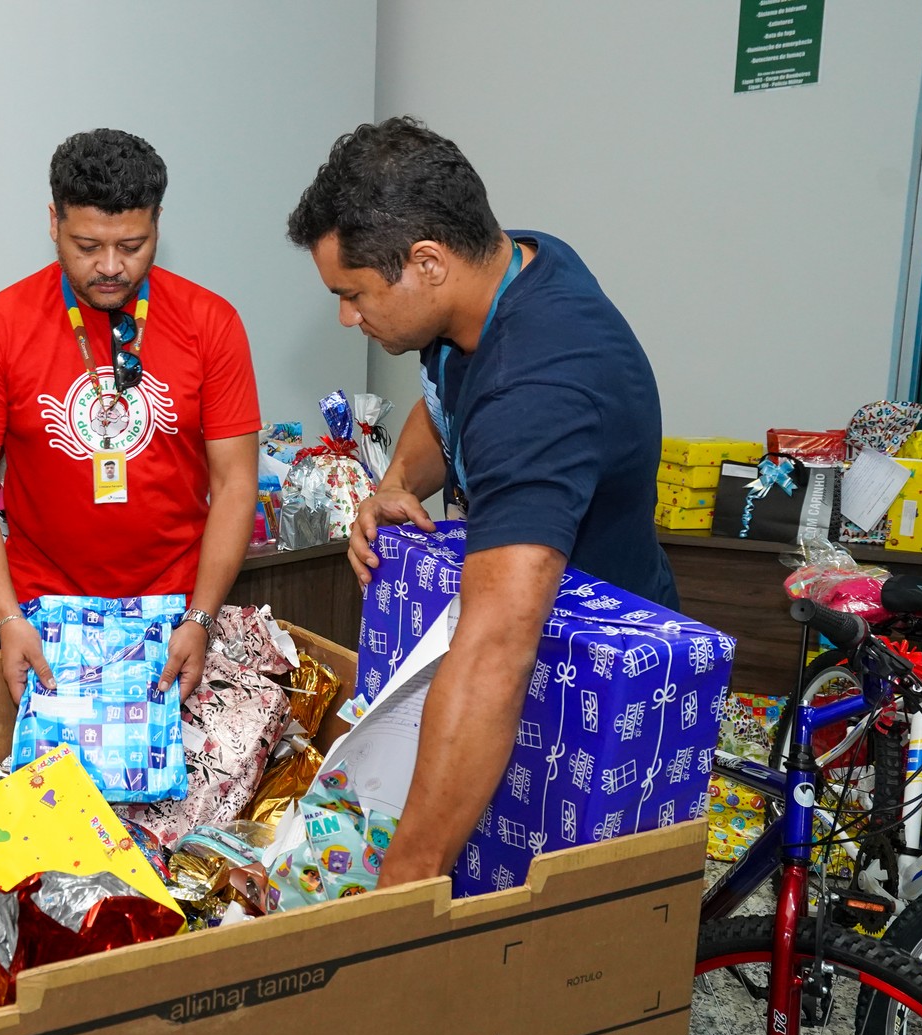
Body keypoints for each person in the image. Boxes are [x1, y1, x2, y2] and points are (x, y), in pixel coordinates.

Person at [284, 117, 676, 890]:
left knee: (558, 931)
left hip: (599, 681)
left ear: (426, 262)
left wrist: (409, 879)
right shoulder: (503, 270)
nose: (345, 316)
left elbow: (497, 647)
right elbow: (446, 401)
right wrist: (396, 482)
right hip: (523, 652)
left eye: (353, 293)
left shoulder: (541, 385)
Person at [0, 129, 260, 705]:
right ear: (53, 222)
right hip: (44, 612)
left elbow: (236, 483)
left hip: (178, 605)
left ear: (159, 221)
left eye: (133, 245)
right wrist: (8, 618)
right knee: (60, 793)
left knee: (179, 791)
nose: (111, 267)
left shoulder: (211, 323)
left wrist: (202, 615)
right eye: (87, 246)